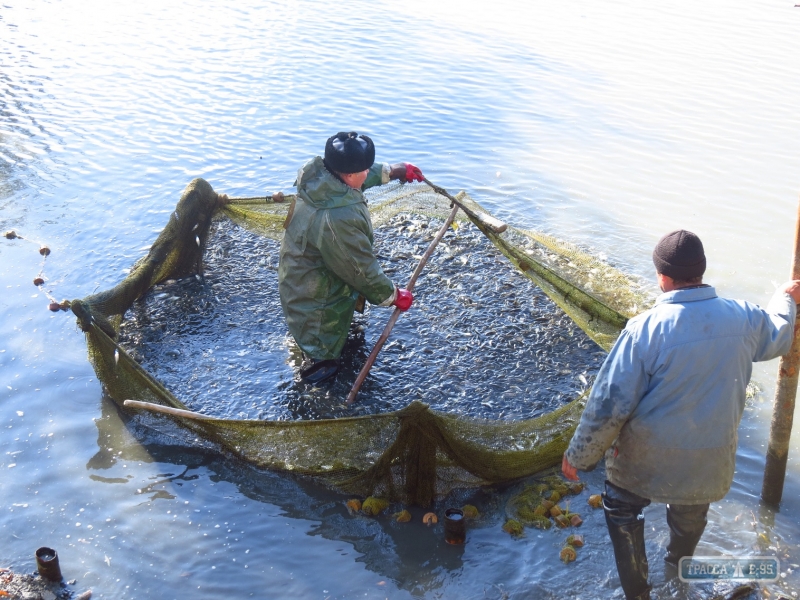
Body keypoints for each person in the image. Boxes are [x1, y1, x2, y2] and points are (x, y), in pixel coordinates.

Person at [561, 229, 800, 600]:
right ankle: (678, 577)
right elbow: (781, 334)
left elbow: (609, 404)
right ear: (701, 271)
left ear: (662, 278)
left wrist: (579, 455)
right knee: (689, 514)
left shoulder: (644, 330)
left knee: (622, 508)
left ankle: (639, 593)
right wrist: (784, 298)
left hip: (646, 462)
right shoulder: (745, 318)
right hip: (708, 463)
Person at [278, 131, 425, 383]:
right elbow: (360, 270)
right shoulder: (337, 219)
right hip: (314, 301)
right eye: (365, 170)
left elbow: (356, 178)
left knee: (325, 331)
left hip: (299, 278)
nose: (368, 173)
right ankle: (317, 372)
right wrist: (391, 295)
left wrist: (396, 170)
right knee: (323, 355)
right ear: (348, 174)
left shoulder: (320, 179)